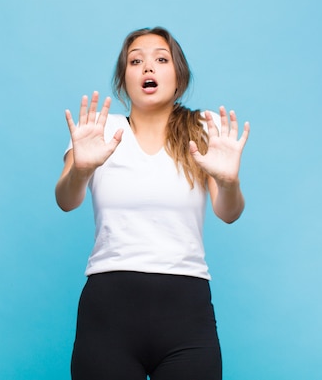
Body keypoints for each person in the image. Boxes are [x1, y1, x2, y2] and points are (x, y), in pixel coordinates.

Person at [55, 27, 250, 380]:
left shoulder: (202, 132)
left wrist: (228, 181)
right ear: (123, 78)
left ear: (179, 77)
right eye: (136, 61)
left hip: (187, 314)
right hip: (107, 316)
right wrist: (81, 170)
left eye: (161, 59)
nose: (148, 68)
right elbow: (66, 200)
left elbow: (229, 212)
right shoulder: (99, 131)